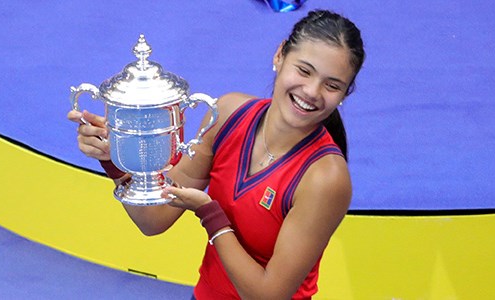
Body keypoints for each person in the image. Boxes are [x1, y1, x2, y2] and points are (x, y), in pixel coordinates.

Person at [67, 9, 365, 300]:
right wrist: (115, 158)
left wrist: (210, 215)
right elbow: (153, 219)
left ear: (344, 94)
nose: (312, 91)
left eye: (332, 85)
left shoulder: (326, 179)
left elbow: (269, 295)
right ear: (279, 55)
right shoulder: (227, 115)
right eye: (304, 70)